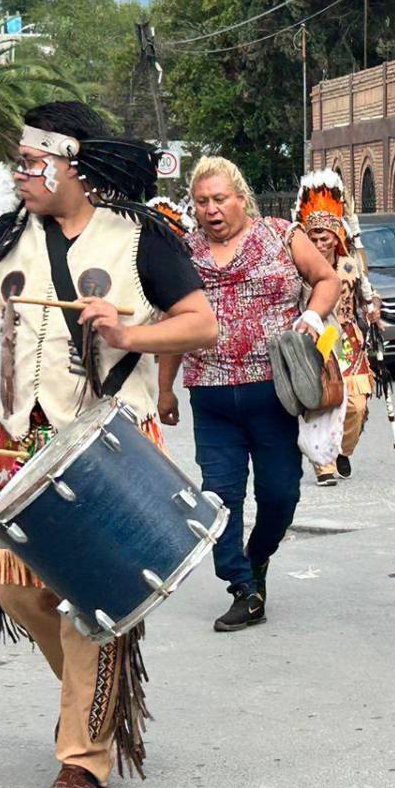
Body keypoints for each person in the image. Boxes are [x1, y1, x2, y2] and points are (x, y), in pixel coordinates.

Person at [0, 102, 216, 788]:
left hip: (108, 443)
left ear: (74, 166)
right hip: (17, 442)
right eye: (19, 161)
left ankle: (83, 756)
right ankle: (95, 701)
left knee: (93, 605)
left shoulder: (139, 238)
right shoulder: (6, 236)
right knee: (14, 588)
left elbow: (201, 323)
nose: (22, 173)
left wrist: (128, 335)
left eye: (35, 162)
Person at [157, 156, 340, 633]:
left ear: (241, 198)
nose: (211, 209)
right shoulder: (184, 252)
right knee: (220, 498)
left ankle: (257, 557)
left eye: (220, 199)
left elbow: (327, 280)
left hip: (274, 393)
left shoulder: (281, 235)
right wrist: (165, 391)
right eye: (202, 202)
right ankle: (242, 587)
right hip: (212, 396)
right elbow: (173, 323)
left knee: (280, 495)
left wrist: (313, 319)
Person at [291, 170, 379, 485]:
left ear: (336, 237)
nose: (318, 243)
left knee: (356, 404)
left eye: (324, 238)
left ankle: (341, 451)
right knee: (322, 400)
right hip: (318, 340)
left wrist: (372, 310)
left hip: (348, 340)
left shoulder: (349, 265)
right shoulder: (298, 269)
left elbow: (367, 297)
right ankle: (323, 463)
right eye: (312, 238)